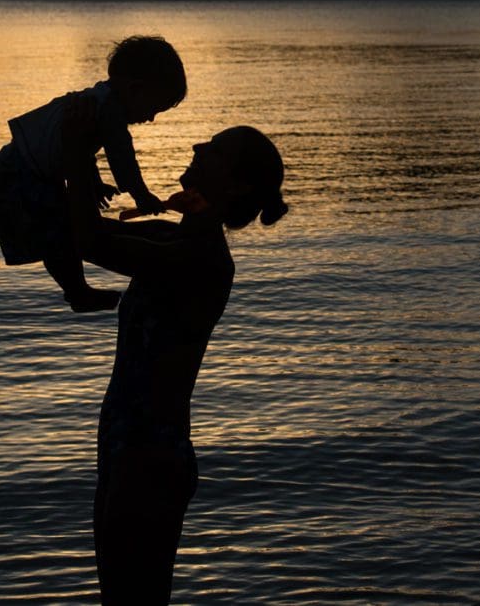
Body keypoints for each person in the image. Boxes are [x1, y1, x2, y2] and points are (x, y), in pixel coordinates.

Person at [62, 99, 288, 604]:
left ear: (235, 186)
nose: (198, 145)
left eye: (217, 149)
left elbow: (89, 241)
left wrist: (79, 154)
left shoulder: (198, 257)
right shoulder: (176, 238)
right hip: (127, 449)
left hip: (148, 458)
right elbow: (87, 233)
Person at [0, 36, 187, 313]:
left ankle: (77, 291)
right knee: (57, 234)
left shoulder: (95, 102)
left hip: (16, 169)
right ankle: (77, 291)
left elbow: (76, 149)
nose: (150, 118)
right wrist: (141, 195)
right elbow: (121, 158)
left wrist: (93, 183)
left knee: (59, 231)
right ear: (136, 89)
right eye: (153, 108)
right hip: (19, 174)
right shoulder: (108, 111)